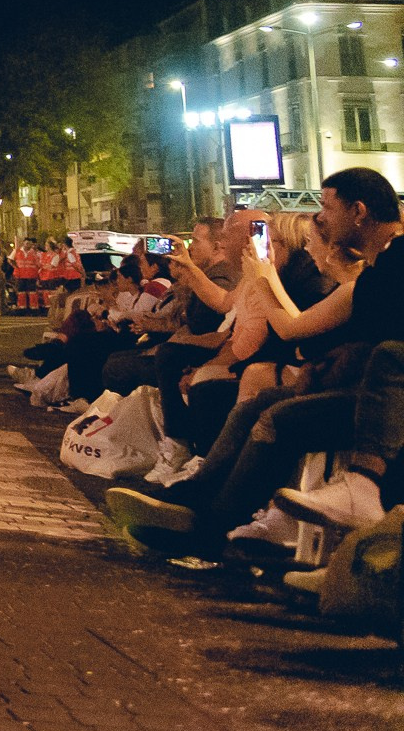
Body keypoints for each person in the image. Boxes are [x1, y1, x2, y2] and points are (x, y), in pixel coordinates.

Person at [108, 170, 404, 551]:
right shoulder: (379, 271)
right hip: (367, 394)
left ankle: (205, 530)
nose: (320, 218)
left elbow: (294, 330)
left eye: (327, 207)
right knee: (257, 406)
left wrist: (263, 279)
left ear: (359, 211)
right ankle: (192, 500)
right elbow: (323, 335)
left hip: (383, 405)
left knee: (277, 416)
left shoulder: (389, 265)